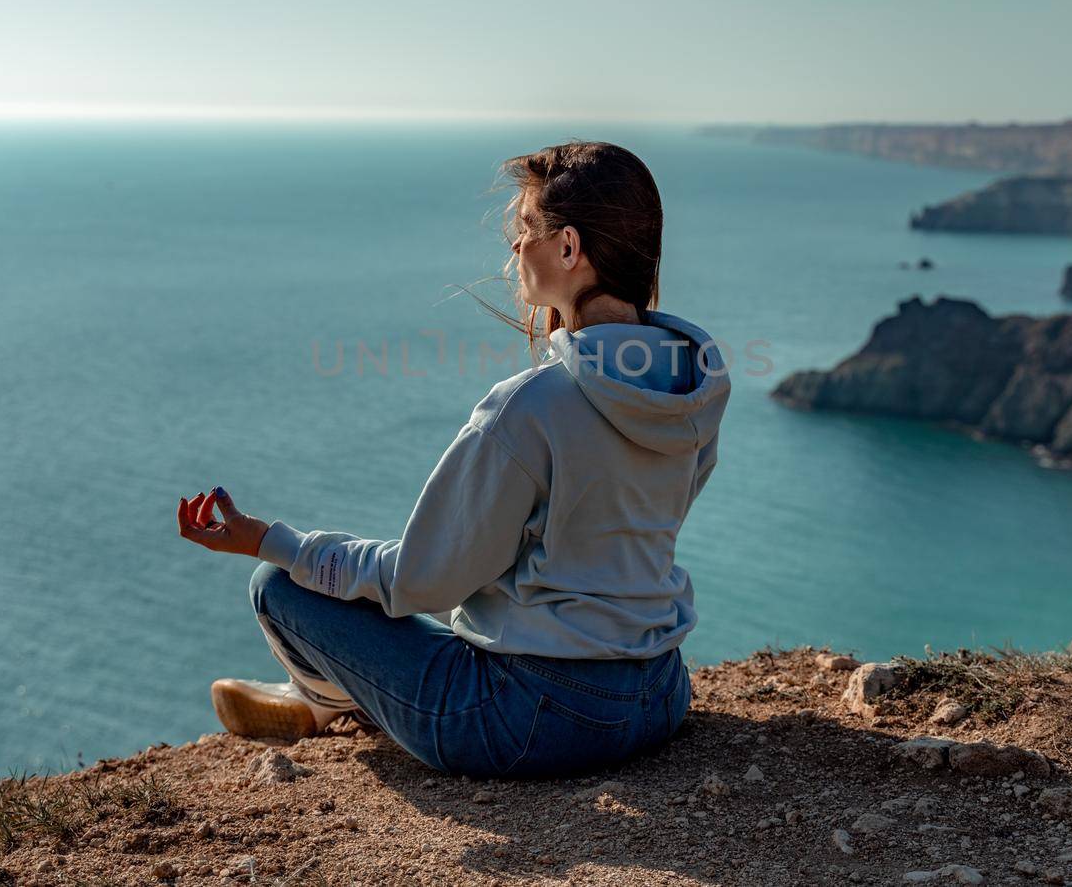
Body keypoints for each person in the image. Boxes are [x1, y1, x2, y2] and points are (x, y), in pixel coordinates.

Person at [177, 141, 731, 779]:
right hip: (659, 696)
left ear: (570, 249)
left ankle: (329, 696)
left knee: (277, 587)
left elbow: (424, 580)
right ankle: (330, 696)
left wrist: (273, 541)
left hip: (533, 722)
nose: (513, 251)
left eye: (524, 230)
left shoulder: (530, 407)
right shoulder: (697, 384)